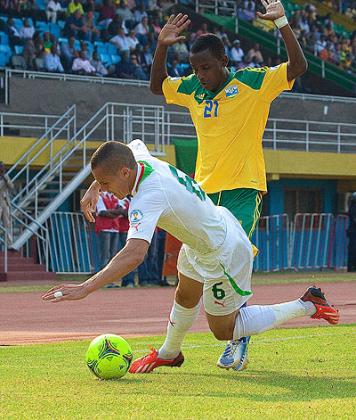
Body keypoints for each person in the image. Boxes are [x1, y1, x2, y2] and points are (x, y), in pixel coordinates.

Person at [42, 140, 339, 375]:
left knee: (223, 330)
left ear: (124, 173)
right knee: (185, 292)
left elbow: (134, 255)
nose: (105, 191)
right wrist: (94, 186)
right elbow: (131, 144)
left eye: (105, 183)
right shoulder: (137, 159)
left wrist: (83, 289)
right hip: (201, 238)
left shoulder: (147, 196)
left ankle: (307, 304)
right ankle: (169, 354)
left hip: (222, 250)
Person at [149, 3, 308, 372]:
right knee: (191, 276)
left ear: (223, 60)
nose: (200, 75)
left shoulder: (252, 83)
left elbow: (298, 68)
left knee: (226, 262)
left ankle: (238, 338)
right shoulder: (192, 90)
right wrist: (161, 46)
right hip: (203, 195)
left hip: (242, 190)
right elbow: (158, 87)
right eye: (195, 68)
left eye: (206, 67)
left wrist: (282, 23)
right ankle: (172, 350)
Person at [0, 161, 14, 244]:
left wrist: (7, 180)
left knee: (7, 223)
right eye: (1, 167)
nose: (3, 169)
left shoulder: (6, 177)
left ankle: (9, 243)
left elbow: (11, 187)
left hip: (5, 202)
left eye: (3, 167)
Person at [347, 192, 356, 272]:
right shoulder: (353, 207)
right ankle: (351, 267)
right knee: (353, 249)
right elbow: (354, 219)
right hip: (353, 232)